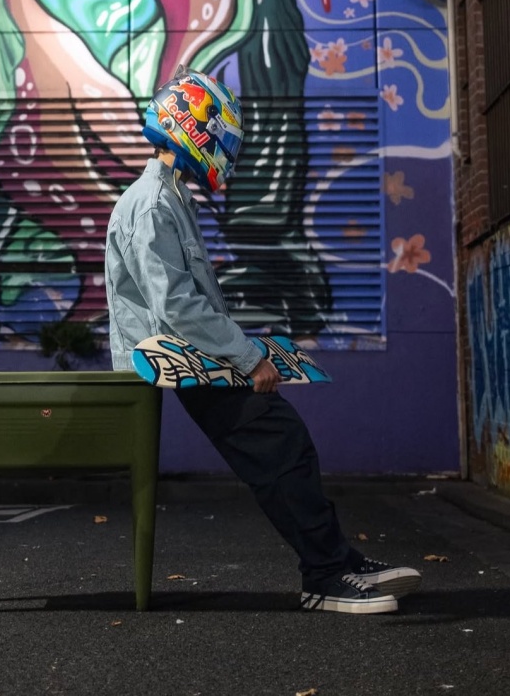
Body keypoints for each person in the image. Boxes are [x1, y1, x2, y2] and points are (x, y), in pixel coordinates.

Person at [104, 67, 421, 613]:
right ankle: (326, 575)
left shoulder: (169, 197)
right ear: (192, 128)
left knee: (282, 446)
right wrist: (250, 358)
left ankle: (335, 560)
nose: (226, 152)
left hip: (195, 356)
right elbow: (177, 306)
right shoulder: (152, 203)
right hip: (180, 358)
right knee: (280, 445)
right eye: (221, 138)